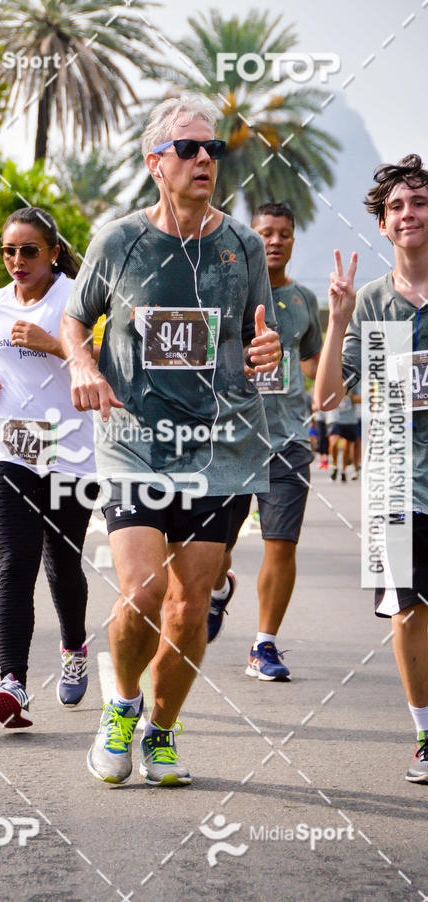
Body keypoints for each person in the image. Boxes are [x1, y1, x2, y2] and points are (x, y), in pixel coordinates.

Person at [60, 93, 281, 786]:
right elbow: (74, 320)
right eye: (188, 148)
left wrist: (266, 350)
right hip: (134, 440)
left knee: (190, 610)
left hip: (220, 450)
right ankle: (121, 707)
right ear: (156, 162)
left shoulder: (240, 245)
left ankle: (161, 729)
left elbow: (260, 332)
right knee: (144, 594)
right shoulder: (118, 240)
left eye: (213, 149)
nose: (204, 160)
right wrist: (85, 364)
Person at [314, 153, 428, 783]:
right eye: (396, 208)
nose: (408, 214)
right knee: (408, 612)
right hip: (395, 481)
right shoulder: (373, 304)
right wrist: (335, 323)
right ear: (383, 227)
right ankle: (424, 735)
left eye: (418, 202)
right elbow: (328, 399)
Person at [0, 206, 97, 725]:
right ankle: (13, 684)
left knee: (62, 563)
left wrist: (56, 344)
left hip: (71, 447)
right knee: (13, 562)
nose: (17, 261)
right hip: (9, 446)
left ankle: (72, 649)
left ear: (52, 252)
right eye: (8, 251)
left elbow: (110, 362)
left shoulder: (79, 297)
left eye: (28, 251)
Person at [206, 203, 323, 682]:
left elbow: (315, 367)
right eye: (264, 233)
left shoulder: (303, 303)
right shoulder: (222, 297)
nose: (274, 241)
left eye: (283, 234)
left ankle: (264, 645)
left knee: (281, 545)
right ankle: (218, 589)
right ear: (248, 239)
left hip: (288, 442)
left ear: (293, 240)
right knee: (214, 551)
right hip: (230, 440)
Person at [326, 384, 360, 482]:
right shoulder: (330, 377)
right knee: (334, 443)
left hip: (350, 419)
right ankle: (335, 466)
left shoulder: (354, 379)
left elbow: (361, 398)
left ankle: (343, 471)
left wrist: (347, 397)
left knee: (346, 449)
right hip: (334, 417)